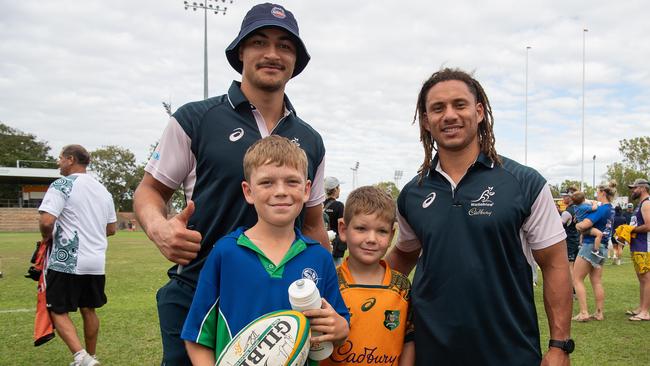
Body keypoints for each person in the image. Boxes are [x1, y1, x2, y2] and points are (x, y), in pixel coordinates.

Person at [133, 3, 329, 364]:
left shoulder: (311, 140)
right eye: (259, 42)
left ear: (296, 60)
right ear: (241, 51)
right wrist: (159, 227)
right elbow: (150, 190)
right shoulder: (195, 118)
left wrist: (329, 287)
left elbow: (314, 224)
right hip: (197, 293)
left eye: (285, 46)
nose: (272, 53)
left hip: (277, 302)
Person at [385, 68, 573, 365]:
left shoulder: (524, 183)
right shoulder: (412, 193)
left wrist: (559, 345)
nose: (449, 115)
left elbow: (555, 264)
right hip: (431, 351)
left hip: (509, 351)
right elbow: (404, 254)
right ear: (425, 120)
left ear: (480, 111)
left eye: (459, 104)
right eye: (437, 108)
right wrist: (354, 283)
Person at [181, 136, 349, 364]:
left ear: (307, 189)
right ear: (248, 191)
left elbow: (339, 325)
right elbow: (197, 336)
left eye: (292, 181)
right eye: (267, 182)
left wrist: (340, 328)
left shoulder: (319, 257)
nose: (280, 191)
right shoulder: (226, 253)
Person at [38, 145, 117, 366]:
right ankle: (91, 356)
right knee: (88, 308)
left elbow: (46, 221)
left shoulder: (62, 184)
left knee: (57, 308)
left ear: (70, 159)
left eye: (60, 158)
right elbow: (111, 229)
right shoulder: (103, 191)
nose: (58, 163)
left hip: (68, 259)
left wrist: (46, 238)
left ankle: (81, 357)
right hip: (96, 261)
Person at [321, 186, 415, 366]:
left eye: (381, 231)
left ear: (392, 235)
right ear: (343, 229)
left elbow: (409, 339)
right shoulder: (328, 283)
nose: (371, 238)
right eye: (361, 228)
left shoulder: (402, 287)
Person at [572, 181, 617, 322]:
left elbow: (585, 224)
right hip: (602, 246)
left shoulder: (601, 209)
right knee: (596, 281)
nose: (596, 194)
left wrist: (577, 224)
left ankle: (584, 312)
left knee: (577, 278)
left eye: (597, 192)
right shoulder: (611, 209)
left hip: (589, 245)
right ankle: (599, 313)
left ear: (603, 193)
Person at [625, 178, 650, 321]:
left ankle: (645, 312)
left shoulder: (646, 203)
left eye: (634, 188)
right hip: (638, 245)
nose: (633, 191)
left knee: (646, 279)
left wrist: (631, 229)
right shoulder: (640, 204)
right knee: (642, 279)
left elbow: (648, 225)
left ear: (642, 188)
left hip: (644, 246)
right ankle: (642, 308)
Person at [571, 191, 603, 255]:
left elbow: (577, 214)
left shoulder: (575, 207)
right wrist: (594, 203)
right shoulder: (583, 207)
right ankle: (596, 250)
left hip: (581, 228)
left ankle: (580, 245)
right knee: (599, 234)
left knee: (582, 234)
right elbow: (594, 208)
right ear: (583, 199)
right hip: (587, 227)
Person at [323, 176, 346, 266]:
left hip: (322, 243)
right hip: (335, 246)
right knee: (335, 272)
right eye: (338, 187)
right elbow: (343, 226)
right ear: (335, 189)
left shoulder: (321, 205)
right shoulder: (339, 205)